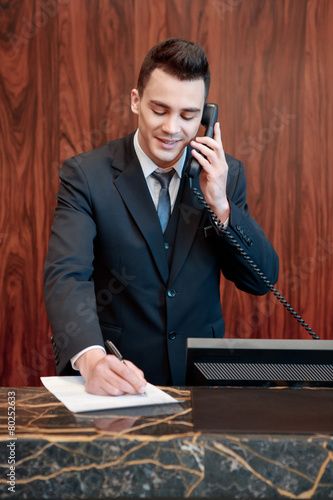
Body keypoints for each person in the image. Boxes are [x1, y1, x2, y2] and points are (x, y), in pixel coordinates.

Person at [44, 38, 279, 395]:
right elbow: (67, 275)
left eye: (188, 116)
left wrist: (221, 205)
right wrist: (91, 360)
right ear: (136, 101)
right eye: (159, 109)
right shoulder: (86, 176)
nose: (172, 128)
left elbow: (261, 280)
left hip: (204, 383)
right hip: (119, 379)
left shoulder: (224, 174)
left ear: (205, 115)